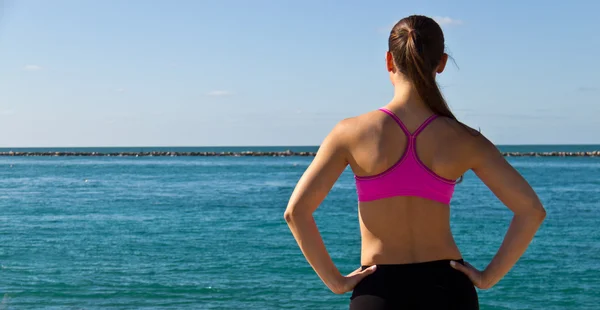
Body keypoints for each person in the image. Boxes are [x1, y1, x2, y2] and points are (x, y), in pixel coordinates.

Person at [283, 15, 546, 309]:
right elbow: (531, 211)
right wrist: (487, 278)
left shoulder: (351, 132)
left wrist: (336, 282)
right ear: (442, 62)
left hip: (378, 292)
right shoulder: (465, 139)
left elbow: (296, 212)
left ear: (388, 61)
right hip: (448, 289)